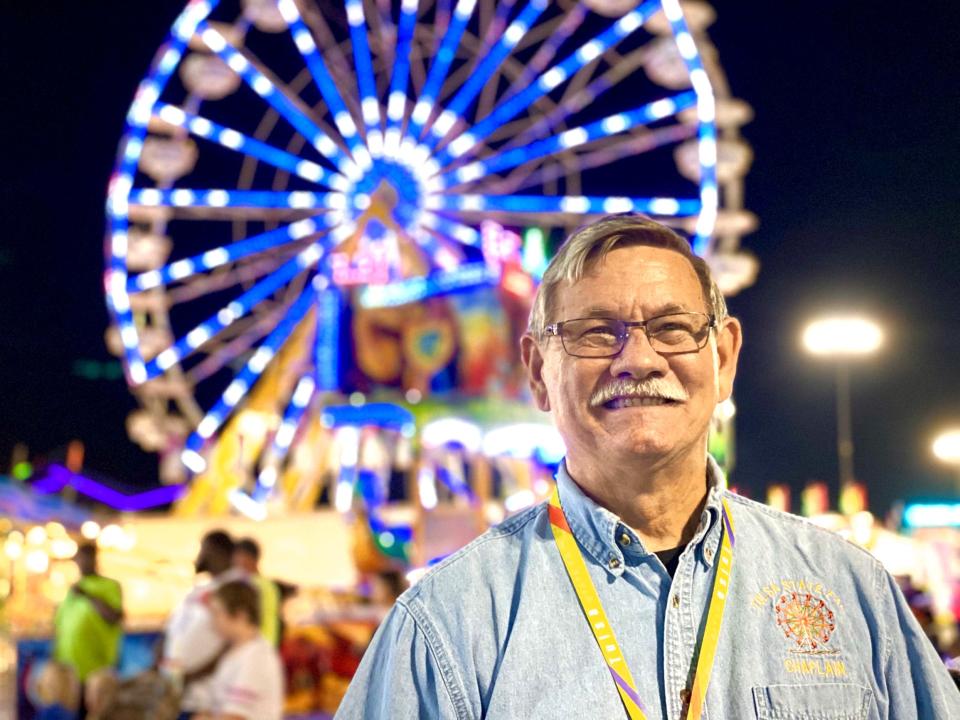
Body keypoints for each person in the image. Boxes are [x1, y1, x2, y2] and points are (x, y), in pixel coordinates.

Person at [336, 215, 960, 718]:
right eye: (594, 332)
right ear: (536, 373)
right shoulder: (446, 625)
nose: (637, 359)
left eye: (671, 328)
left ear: (723, 359)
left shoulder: (851, 590)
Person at [162, 530, 243, 718]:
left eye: (202, 549)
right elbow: (173, 630)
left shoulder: (237, 587)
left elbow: (236, 642)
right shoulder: (201, 589)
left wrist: (192, 675)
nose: (198, 556)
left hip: (207, 699)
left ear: (215, 551)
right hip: (179, 694)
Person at [193, 580, 285, 720]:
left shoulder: (256, 656)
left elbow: (235, 716)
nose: (213, 621)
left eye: (217, 613)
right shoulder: (234, 652)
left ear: (241, 615)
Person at [53, 542, 123, 714]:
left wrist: (88, 596)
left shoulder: (109, 586)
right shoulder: (74, 589)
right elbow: (60, 624)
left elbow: (115, 617)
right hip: (69, 670)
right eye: (79, 558)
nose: (82, 562)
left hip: (96, 670)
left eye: (86, 557)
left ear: (94, 559)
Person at [232, 537, 281, 646]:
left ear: (247, 557)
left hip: (257, 644)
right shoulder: (269, 585)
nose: (234, 562)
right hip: (268, 643)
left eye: (237, 556)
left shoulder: (251, 585)